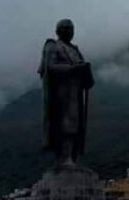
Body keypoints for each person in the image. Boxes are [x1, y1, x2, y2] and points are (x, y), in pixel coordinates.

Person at [37, 19, 94, 165]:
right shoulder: (53, 47)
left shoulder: (75, 50)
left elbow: (85, 75)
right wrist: (72, 69)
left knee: (75, 124)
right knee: (64, 124)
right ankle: (64, 157)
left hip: (75, 93)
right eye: (66, 28)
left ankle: (72, 156)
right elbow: (50, 67)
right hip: (61, 94)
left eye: (71, 28)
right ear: (58, 31)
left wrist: (86, 74)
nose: (69, 31)